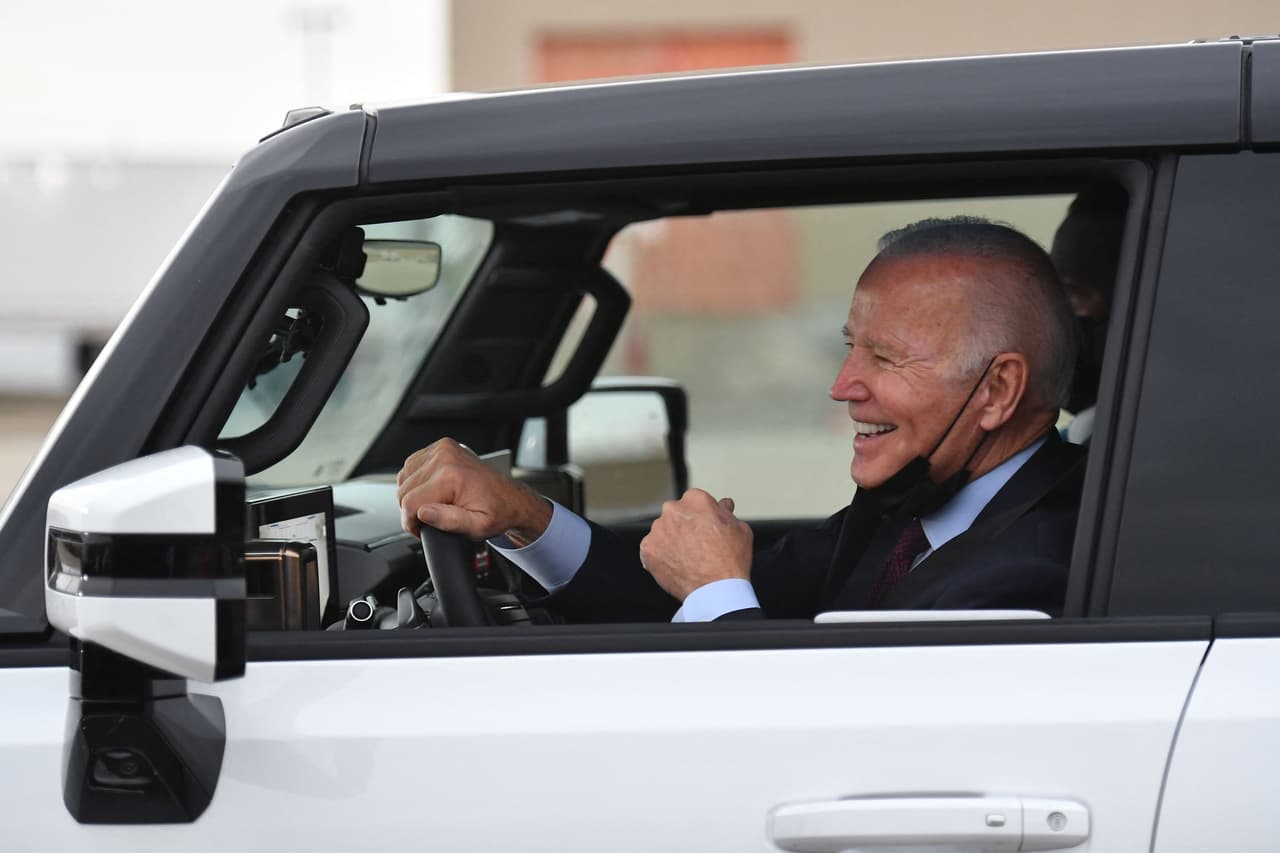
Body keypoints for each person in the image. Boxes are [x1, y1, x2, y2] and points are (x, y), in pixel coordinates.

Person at [397, 216, 1085, 622]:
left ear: (997, 390)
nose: (844, 385)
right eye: (850, 347)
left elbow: (822, 740)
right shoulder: (916, 507)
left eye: (886, 357)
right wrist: (523, 513)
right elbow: (666, 599)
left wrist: (717, 590)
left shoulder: (1036, 568)